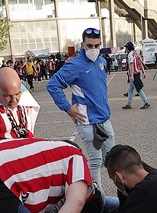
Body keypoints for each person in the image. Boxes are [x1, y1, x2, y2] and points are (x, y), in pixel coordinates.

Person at [46, 27, 116, 187]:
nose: (93, 49)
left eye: (96, 46)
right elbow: (53, 85)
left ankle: (123, 199)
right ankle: (98, 205)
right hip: (86, 120)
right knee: (95, 162)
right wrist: (67, 108)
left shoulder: (102, 62)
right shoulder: (75, 65)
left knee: (113, 159)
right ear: (83, 45)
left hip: (104, 118)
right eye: (89, 46)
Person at [121, 41, 150, 110]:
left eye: (126, 48)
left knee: (138, 89)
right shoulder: (136, 54)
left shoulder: (130, 55)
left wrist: (131, 75)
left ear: (128, 48)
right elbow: (140, 63)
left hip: (133, 74)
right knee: (130, 89)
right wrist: (143, 72)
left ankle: (146, 102)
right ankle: (129, 104)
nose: (126, 49)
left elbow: (131, 64)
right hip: (136, 73)